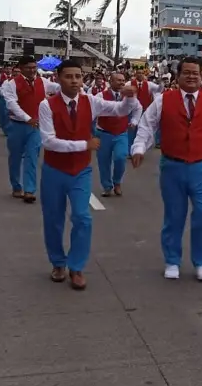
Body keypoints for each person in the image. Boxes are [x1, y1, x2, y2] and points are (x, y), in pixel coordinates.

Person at [130, 57, 202, 282]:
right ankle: (172, 260)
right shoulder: (162, 100)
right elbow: (147, 126)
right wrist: (139, 148)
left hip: (201, 167)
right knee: (174, 217)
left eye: (195, 73)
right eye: (186, 73)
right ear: (177, 76)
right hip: (172, 167)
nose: (191, 77)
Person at [39, 60, 139, 290]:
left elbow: (119, 110)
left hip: (80, 171)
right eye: (69, 76)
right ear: (58, 78)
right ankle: (58, 263)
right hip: (55, 170)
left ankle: (76, 267)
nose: (74, 81)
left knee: (82, 218)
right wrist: (83, 145)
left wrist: (129, 97)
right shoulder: (47, 105)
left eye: (78, 76)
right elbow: (49, 141)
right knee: (53, 220)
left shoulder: (90, 101)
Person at [1, 56, 61, 203]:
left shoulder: (43, 82)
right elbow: (12, 105)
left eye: (34, 67)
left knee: (32, 157)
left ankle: (29, 190)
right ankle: (16, 186)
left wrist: (67, 84)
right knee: (15, 157)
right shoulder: (11, 84)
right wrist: (27, 118)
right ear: (20, 68)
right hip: (17, 125)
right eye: (28, 67)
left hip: (35, 127)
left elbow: (58, 89)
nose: (32, 70)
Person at [95, 71, 143, 197]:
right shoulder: (101, 96)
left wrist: (134, 121)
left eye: (123, 80)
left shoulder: (128, 97)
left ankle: (117, 182)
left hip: (121, 133)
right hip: (103, 133)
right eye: (118, 80)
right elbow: (94, 110)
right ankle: (107, 186)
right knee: (103, 162)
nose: (122, 82)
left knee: (121, 157)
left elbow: (138, 108)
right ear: (110, 82)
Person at [0, 64, 13, 134]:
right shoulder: (0, 76)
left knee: (9, 112)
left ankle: (8, 127)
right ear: (4, 69)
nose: (8, 70)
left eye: (10, 69)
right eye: (7, 69)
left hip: (10, 96)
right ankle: (2, 124)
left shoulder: (13, 77)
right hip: (1, 96)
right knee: (2, 111)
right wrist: (3, 90)